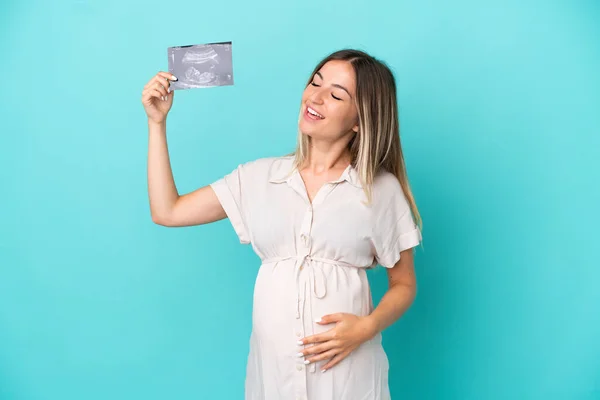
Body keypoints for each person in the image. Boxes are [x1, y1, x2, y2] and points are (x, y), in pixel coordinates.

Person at [141, 49, 423, 400]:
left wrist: (365, 327)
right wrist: (157, 124)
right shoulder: (259, 177)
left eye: (336, 94)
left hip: (347, 376)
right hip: (273, 377)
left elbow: (404, 283)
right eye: (315, 82)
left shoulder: (379, 190)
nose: (315, 97)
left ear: (360, 120)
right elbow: (168, 211)